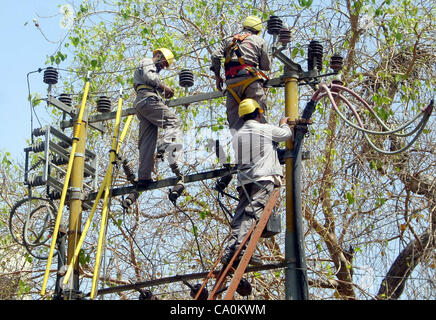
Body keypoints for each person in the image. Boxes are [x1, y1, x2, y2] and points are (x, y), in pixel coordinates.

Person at [221, 98, 292, 266]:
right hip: (263, 179)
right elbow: (286, 134)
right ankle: (240, 250)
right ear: (258, 114)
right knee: (252, 214)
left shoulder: (237, 136)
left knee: (240, 216)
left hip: (245, 182)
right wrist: (283, 123)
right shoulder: (264, 129)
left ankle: (230, 250)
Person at [210, 16, 271, 131]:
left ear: (243, 27)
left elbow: (215, 56)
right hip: (250, 81)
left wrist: (218, 77)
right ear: (257, 31)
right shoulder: (259, 40)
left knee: (235, 125)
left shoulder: (228, 39)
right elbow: (266, 66)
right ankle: (265, 143)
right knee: (260, 115)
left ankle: (241, 146)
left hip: (231, 85)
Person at [133, 48, 183, 188]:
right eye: (163, 63)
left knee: (147, 143)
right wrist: (164, 88)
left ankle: (144, 177)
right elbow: (150, 78)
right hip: (147, 100)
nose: (162, 67)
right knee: (173, 121)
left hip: (143, 103)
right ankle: (164, 143)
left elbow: (149, 82)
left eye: (165, 66)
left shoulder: (149, 74)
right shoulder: (147, 61)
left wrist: (161, 93)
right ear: (158, 55)